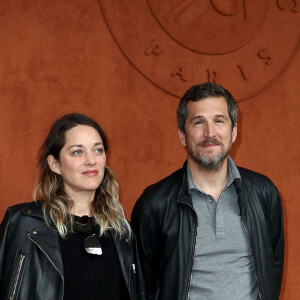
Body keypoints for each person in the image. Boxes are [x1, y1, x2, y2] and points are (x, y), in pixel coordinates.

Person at [131, 82, 284, 300]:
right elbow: (143, 286)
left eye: (219, 121)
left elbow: (272, 268)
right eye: (198, 122)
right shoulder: (154, 204)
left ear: (233, 132)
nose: (209, 133)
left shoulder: (264, 193)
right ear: (183, 135)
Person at [0, 113, 144, 300]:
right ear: (55, 164)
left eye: (98, 150)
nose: (91, 160)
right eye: (78, 151)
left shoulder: (123, 233)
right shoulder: (21, 224)